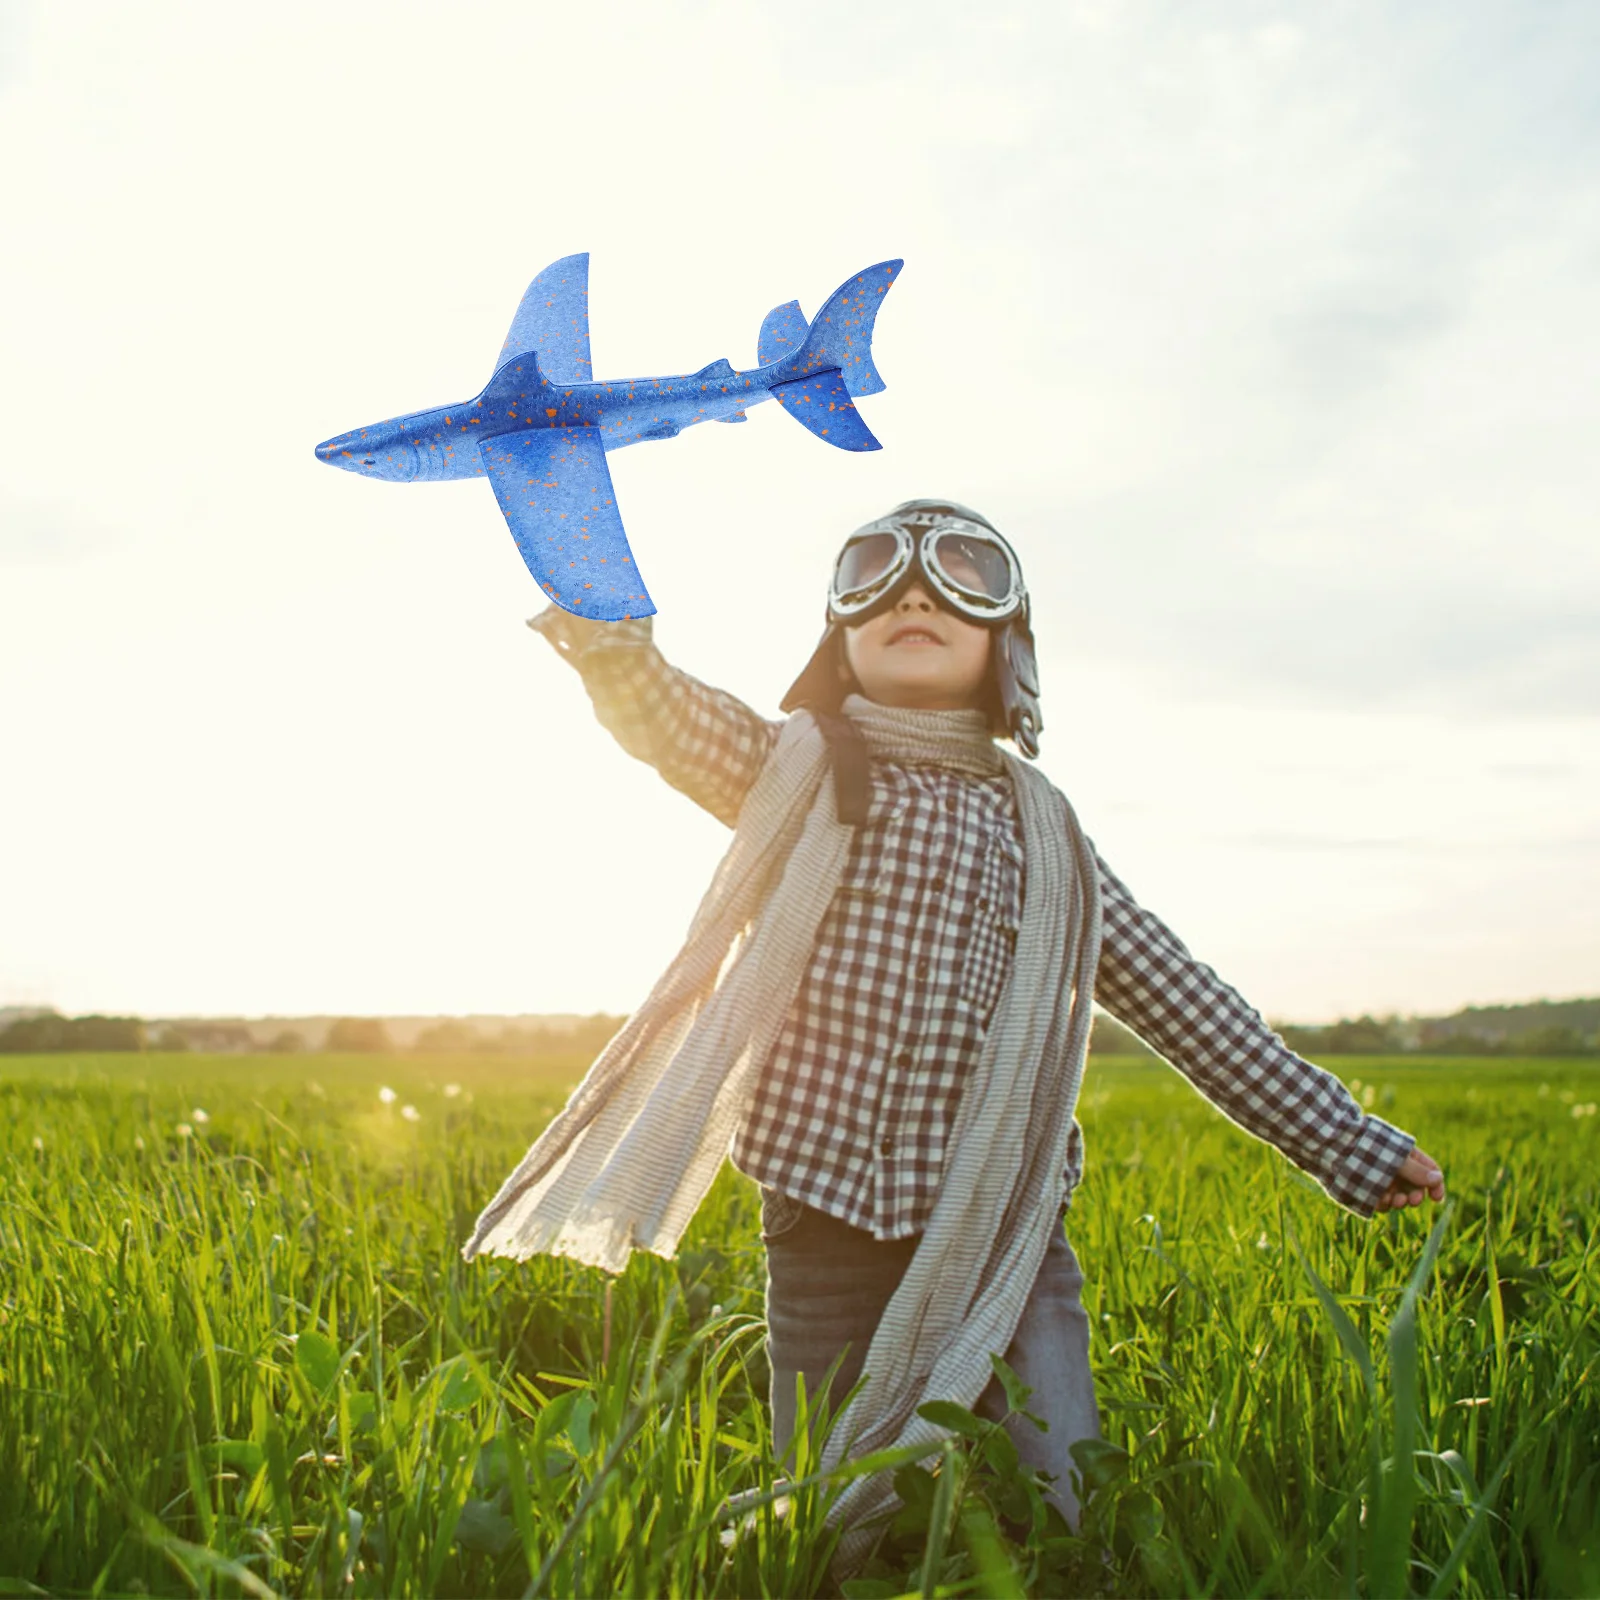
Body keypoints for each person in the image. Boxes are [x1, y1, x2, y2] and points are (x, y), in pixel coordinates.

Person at [465, 498, 1446, 1550]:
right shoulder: (787, 767)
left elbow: (1186, 1001)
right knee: (833, 1495)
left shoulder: (1045, 833)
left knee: (1056, 1483)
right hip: (819, 1200)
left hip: (1004, 1216)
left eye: (960, 578)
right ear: (837, 636)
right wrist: (605, 624)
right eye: (878, 575)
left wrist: (1347, 1142)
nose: (915, 593)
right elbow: (667, 718)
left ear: (1006, 646)